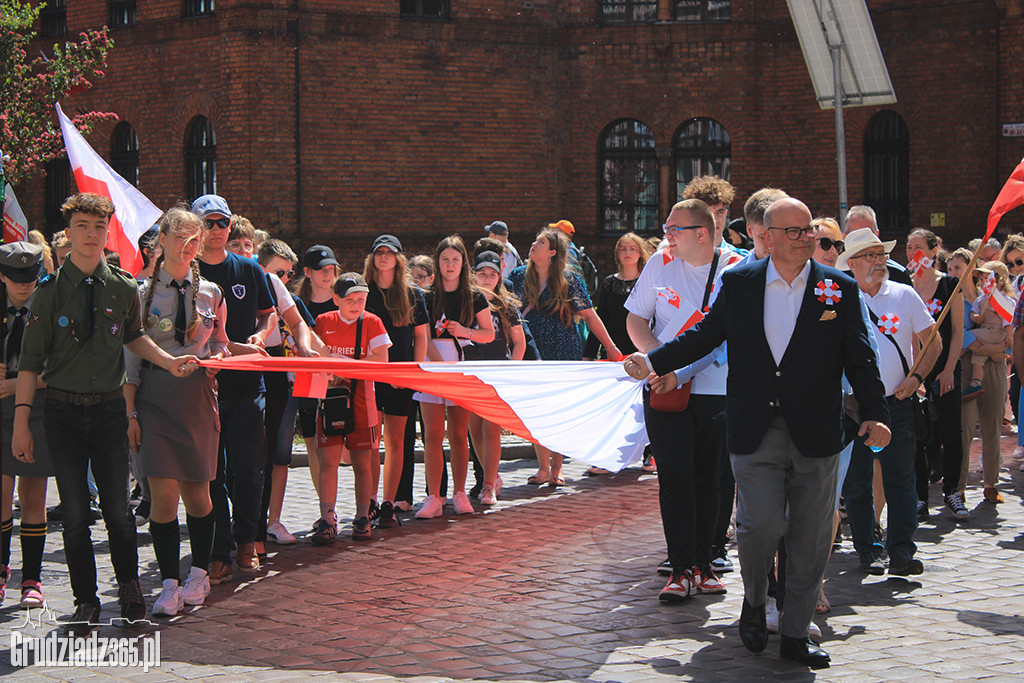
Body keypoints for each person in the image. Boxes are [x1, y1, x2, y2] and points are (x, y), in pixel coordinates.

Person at [624, 197, 891, 669]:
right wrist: (653, 360)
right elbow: (704, 335)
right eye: (795, 231)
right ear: (767, 238)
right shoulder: (741, 283)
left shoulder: (838, 288)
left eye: (809, 229)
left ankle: (794, 631)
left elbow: (861, 356)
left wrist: (875, 411)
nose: (808, 237)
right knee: (761, 523)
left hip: (818, 429)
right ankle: (755, 598)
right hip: (755, 426)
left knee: (809, 536)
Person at [12, 192, 200, 637]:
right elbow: (28, 364)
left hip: (110, 412)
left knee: (118, 509)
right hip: (62, 413)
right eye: (82, 226)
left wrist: (168, 361)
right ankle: (85, 600)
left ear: (107, 231)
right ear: (69, 231)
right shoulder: (48, 293)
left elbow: (134, 337)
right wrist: (22, 422)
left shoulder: (120, 286)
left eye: (99, 227)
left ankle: (131, 589)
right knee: (76, 512)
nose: (91, 235)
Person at [624, 199, 736, 601]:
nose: (666, 235)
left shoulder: (733, 269)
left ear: (701, 233)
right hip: (662, 389)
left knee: (709, 478)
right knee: (673, 477)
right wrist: (657, 361)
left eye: (675, 228)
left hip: (715, 389)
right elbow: (635, 318)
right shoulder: (660, 263)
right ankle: (680, 567)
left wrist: (678, 370)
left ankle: (704, 564)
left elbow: (721, 337)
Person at [124, 207, 229, 616]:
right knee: (163, 497)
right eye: (179, 238)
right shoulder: (140, 292)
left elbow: (221, 342)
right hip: (154, 399)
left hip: (197, 399)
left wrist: (219, 359)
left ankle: (198, 574)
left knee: (198, 495)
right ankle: (169, 582)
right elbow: (131, 358)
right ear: (162, 241)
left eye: (194, 240)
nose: (187, 247)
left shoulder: (211, 293)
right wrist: (130, 413)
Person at [839, 228, 939, 579]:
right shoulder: (839, 298)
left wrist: (916, 379)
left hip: (896, 403)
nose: (880, 261)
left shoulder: (905, 294)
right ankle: (868, 548)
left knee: (900, 478)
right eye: (870, 255)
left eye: (881, 255)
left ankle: (901, 550)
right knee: (857, 483)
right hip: (853, 406)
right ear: (851, 263)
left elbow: (933, 342)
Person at [193, 194, 274, 584]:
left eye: (222, 222)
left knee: (247, 468)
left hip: (245, 386)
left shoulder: (248, 268)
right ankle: (218, 549)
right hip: (200, 390)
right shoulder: (186, 273)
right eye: (208, 223)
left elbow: (268, 313)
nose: (217, 230)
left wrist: (259, 336)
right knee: (211, 473)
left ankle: (247, 540)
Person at [510, 227, 622, 486]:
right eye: (535, 240)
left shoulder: (569, 279)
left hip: (563, 349)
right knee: (536, 410)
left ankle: (557, 468)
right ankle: (542, 468)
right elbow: (510, 313)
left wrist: (610, 346)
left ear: (552, 252)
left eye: (541, 242)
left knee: (557, 409)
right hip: (531, 349)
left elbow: (590, 316)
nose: (533, 245)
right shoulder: (517, 276)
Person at [414, 236, 495, 519]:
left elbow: (489, 333)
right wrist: (437, 366)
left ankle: (460, 493)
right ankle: (434, 496)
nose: (450, 265)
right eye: (445, 259)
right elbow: (422, 335)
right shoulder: (424, 295)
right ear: (437, 262)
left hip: (461, 364)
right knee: (432, 435)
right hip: (433, 364)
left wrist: (466, 331)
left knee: (459, 435)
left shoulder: (474, 296)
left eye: (455, 260)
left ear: (463, 264)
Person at [310, 273, 391, 543]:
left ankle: (362, 515)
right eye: (350, 300)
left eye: (361, 299)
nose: (357, 305)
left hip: (363, 401)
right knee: (328, 461)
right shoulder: (323, 321)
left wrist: (342, 364)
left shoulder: (372, 322)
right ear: (336, 299)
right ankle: (327, 517)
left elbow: (381, 359)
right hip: (330, 399)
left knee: (363, 462)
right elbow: (312, 357)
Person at [362, 234, 429, 527]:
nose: (384, 257)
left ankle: (388, 503)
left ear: (399, 259)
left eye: (390, 252)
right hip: (371, 376)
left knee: (396, 442)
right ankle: (369, 502)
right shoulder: (363, 291)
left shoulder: (412, 294)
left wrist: (414, 371)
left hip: (401, 376)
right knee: (370, 443)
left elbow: (421, 336)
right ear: (373, 258)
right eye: (379, 252)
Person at [256, 238, 316, 545]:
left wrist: (332, 364)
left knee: (280, 454)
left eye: (289, 274)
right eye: (279, 273)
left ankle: (273, 520)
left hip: (287, 381)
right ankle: (246, 519)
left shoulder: (289, 300)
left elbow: (308, 331)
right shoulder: (250, 286)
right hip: (253, 374)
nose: (284, 280)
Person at [0, 242, 50, 609]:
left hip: (36, 406)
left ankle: (31, 577)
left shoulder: (48, 308)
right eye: (15, 279)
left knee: (33, 495)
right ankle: (1, 571)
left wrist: (18, 383)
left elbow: (62, 364)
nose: (23, 286)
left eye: (30, 279)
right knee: (0, 493)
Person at [905, 229, 967, 520]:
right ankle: (919, 497)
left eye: (918, 247)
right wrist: (914, 375)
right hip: (916, 372)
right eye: (908, 248)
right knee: (918, 435)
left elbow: (957, 333)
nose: (912, 253)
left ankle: (953, 490)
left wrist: (949, 370)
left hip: (944, 370)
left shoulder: (951, 285)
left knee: (951, 432)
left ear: (933, 251)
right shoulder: (905, 286)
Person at [466, 250, 526, 504]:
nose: (487, 279)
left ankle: (489, 484)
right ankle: (492, 476)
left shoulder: (505, 304)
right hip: (469, 371)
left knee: (491, 429)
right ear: (473, 276)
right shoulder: (466, 301)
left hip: (495, 371)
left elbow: (519, 341)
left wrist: (511, 370)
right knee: (474, 430)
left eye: (492, 275)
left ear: (499, 277)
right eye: (482, 274)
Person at [295, 244, 341, 513]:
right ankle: (326, 508)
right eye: (322, 270)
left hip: (340, 379)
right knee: (313, 444)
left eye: (331, 269)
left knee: (340, 446)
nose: (327, 275)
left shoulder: (343, 299)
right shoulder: (299, 304)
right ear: (307, 272)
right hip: (309, 378)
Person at [583, 232, 646, 361]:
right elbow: (600, 318)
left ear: (640, 253)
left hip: (641, 349)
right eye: (623, 249)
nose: (627, 252)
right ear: (617, 253)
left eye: (632, 249)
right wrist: (589, 355)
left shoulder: (647, 281)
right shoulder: (609, 283)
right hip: (614, 350)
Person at [841, 206, 912, 286]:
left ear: (877, 235)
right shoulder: (836, 277)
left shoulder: (899, 275)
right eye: (858, 236)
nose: (865, 242)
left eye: (869, 234)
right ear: (845, 238)